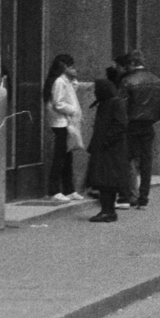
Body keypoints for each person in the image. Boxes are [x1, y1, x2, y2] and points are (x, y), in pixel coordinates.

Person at [119, 50, 160, 207]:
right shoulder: (156, 80)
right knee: (147, 160)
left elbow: (122, 105)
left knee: (129, 159)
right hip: (148, 125)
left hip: (131, 124)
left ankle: (131, 195)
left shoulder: (127, 80)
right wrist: (153, 118)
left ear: (132, 64)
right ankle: (144, 197)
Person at [85, 77, 131, 221]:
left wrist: (105, 141)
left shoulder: (114, 103)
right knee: (105, 182)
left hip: (110, 150)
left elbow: (120, 125)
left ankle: (107, 211)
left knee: (106, 181)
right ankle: (108, 211)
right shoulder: (107, 103)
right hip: (107, 148)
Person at [43, 54, 82, 200]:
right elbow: (58, 103)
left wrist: (73, 79)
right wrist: (73, 110)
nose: (73, 69)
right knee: (60, 156)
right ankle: (55, 190)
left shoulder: (64, 80)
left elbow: (72, 91)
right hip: (60, 122)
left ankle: (69, 189)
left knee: (67, 155)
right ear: (64, 66)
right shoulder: (59, 81)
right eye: (71, 66)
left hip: (64, 121)